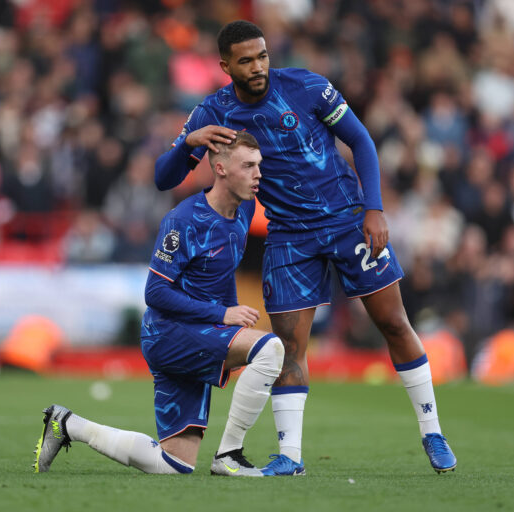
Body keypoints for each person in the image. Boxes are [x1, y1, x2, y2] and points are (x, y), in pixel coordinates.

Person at [154, 20, 457, 475]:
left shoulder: (308, 87)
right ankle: (290, 456)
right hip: (290, 237)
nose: (257, 67)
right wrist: (189, 144)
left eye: (262, 56)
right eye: (245, 60)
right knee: (290, 349)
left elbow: (361, 140)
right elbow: (164, 178)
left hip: (348, 221)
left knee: (394, 322)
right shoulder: (212, 113)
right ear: (225, 66)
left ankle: (433, 431)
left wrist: (373, 207)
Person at [34, 131, 285, 477]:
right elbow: (154, 293)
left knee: (174, 465)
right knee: (271, 348)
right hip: (169, 334)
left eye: (259, 165)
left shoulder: (243, 212)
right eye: (248, 165)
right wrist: (223, 314)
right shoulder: (183, 221)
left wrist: (230, 322)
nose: (259, 173)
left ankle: (67, 424)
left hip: (200, 332)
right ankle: (229, 455)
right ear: (221, 169)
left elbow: (223, 274)